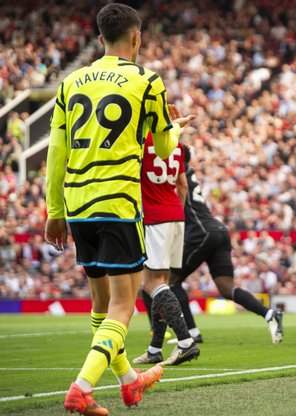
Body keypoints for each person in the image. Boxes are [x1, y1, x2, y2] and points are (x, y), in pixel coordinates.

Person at [44, 3, 194, 414]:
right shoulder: (148, 80)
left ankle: (129, 381)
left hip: (77, 204)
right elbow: (164, 148)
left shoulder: (71, 82)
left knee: (100, 305)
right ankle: (81, 387)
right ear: (137, 38)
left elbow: (56, 151)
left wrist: (53, 210)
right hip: (118, 202)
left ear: (99, 40)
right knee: (123, 306)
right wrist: (176, 128)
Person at [166, 145, 284, 345]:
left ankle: (191, 332)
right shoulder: (187, 171)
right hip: (218, 230)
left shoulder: (175, 172)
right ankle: (269, 313)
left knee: (171, 280)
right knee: (226, 288)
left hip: (201, 231)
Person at [132, 134, 200, 366]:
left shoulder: (140, 142)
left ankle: (185, 342)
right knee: (159, 284)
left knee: (152, 284)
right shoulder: (176, 143)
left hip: (154, 217)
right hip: (175, 215)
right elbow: (182, 185)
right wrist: (174, 212)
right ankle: (155, 349)